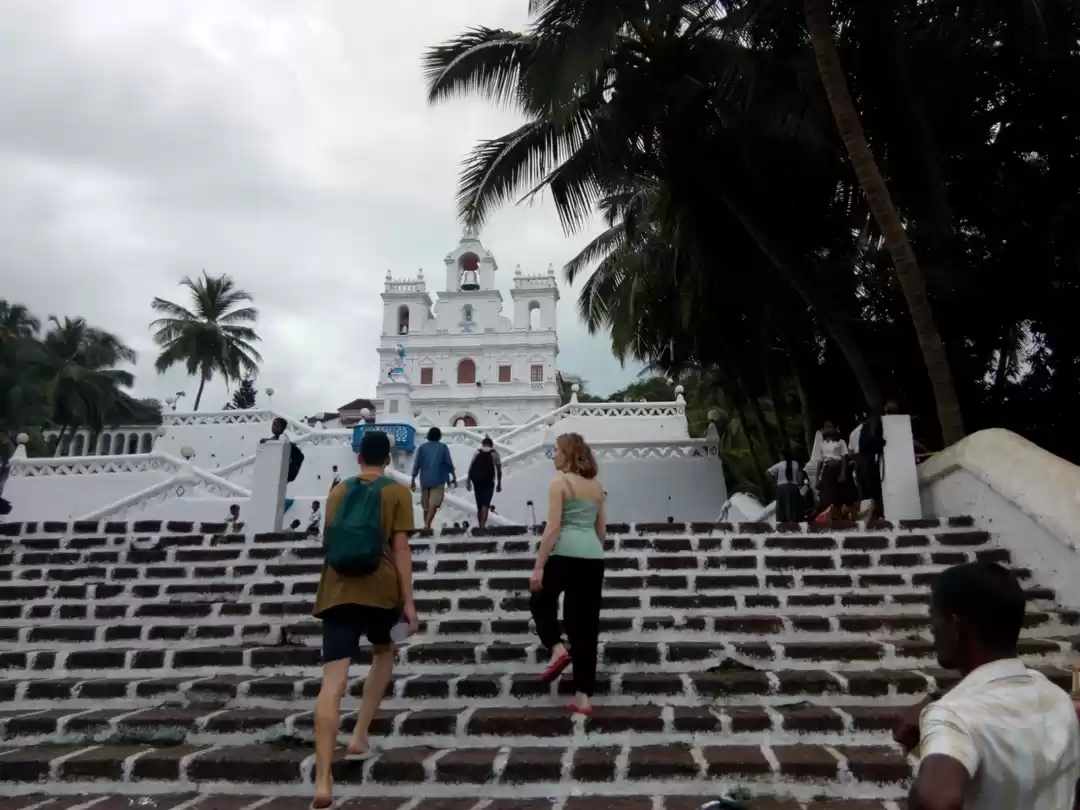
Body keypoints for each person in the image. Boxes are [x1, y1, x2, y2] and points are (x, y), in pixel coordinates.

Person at [896, 562, 1080, 810]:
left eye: (934, 617)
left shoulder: (954, 715)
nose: (932, 629)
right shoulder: (1057, 698)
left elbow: (935, 800)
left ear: (956, 626)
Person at [311, 430, 417, 809]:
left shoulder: (338, 492)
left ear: (358, 458)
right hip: (380, 592)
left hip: (338, 592)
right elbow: (400, 548)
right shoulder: (397, 493)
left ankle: (323, 780)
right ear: (387, 460)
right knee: (383, 652)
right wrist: (409, 602)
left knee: (332, 683)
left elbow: (330, 540)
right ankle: (359, 733)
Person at [529, 432, 606, 716]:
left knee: (539, 601)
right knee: (585, 627)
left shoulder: (559, 483)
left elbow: (553, 527)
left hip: (565, 554)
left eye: (557, 450)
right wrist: (592, 550)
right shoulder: (596, 487)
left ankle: (557, 648)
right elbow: (602, 532)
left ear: (569, 453)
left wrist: (539, 565)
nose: (554, 455)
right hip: (593, 557)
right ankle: (583, 698)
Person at [410, 427, 456, 531]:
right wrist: (453, 477)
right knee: (433, 504)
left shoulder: (422, 448)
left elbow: (417, 464)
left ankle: (427, 526)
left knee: (426, 505)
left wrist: (413, 478)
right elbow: (449, 464)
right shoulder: (443, 447)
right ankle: (427, 525)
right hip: (439, 478)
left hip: (425, 479)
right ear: (439, 436)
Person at [816, 420, 850, 521]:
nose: (828, 429)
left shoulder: (841, 442)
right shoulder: (822, 444)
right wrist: (817, 478)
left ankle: (840, 518)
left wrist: (843, 473)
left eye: (830, 427)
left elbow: (844, 458)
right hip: (827, 470)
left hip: (838, 469)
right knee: (829, 497)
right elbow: (820, 462)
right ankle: (830, 519)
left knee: (840, 496)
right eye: (826, 427)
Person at [466, 436, 502, 530]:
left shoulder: (477, 452)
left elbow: (471, 467)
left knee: (479, 505)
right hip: (489, 482)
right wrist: (499, 484)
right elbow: (499, 470)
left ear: (483, 444)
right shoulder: (495, 454)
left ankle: (479, 524)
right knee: (486, 504)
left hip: (477, 482)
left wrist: (468, 481)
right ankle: (482, 526)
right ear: (491, 444)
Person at [766, 449, 801, 523]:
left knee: (782, 507)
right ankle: (792, 521)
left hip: (782, 487)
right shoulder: (795, 464)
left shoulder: (779, 465)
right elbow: (799, 477)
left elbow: (767, 472)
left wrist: (773, 483)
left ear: (782, 456)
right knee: (793, 506)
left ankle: (783, 523)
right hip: (793, 487)